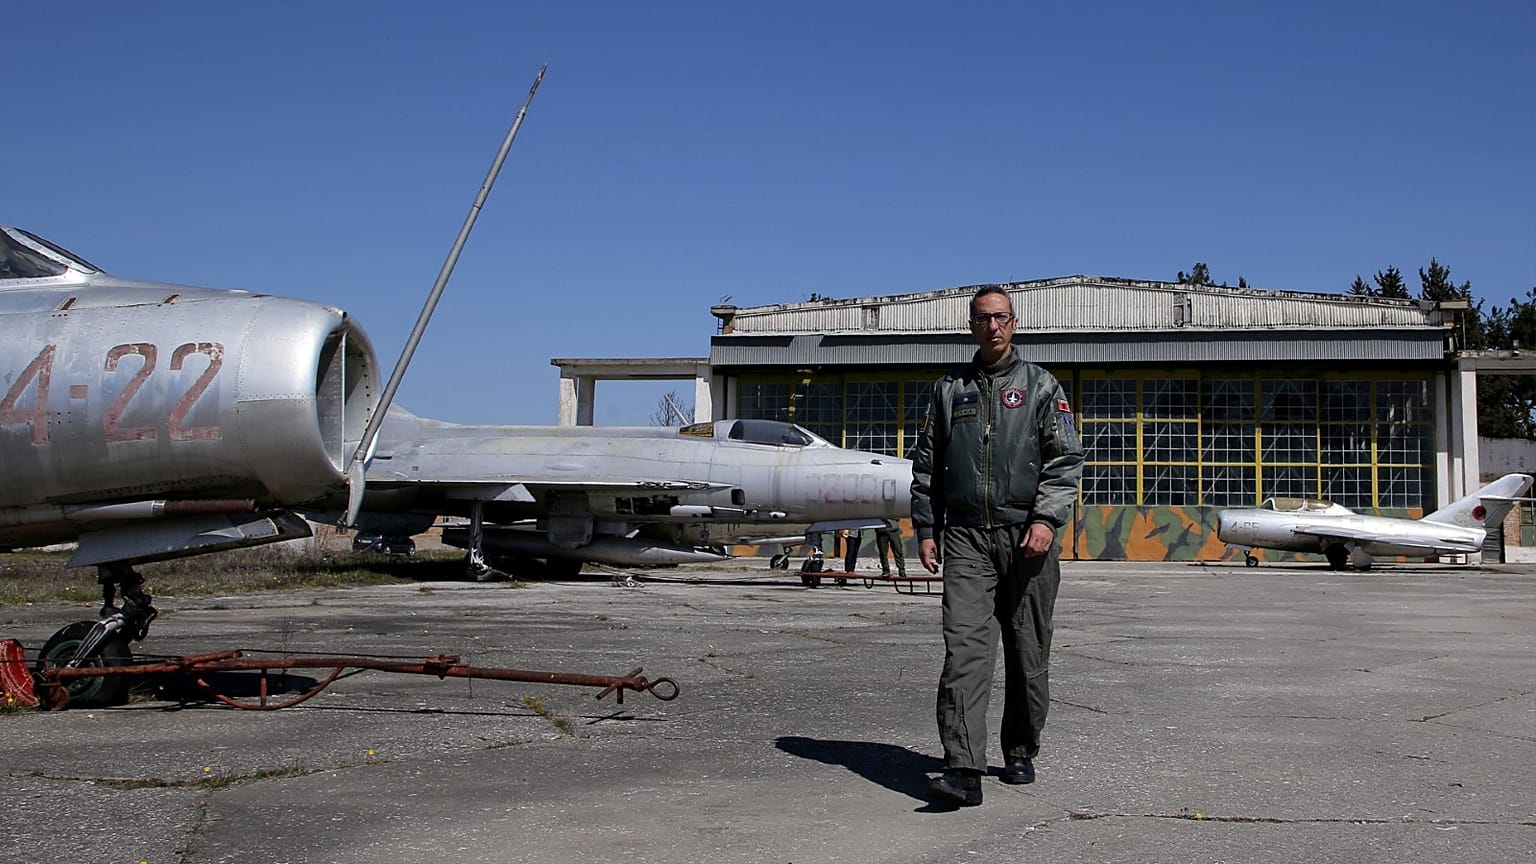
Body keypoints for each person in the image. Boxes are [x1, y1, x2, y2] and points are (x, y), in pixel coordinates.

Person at [909, 285, 1084, 807]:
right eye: (983, 318)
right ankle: (963, 768)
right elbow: (927, 467)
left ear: (1014, 323)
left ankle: (1021, 748)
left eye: (1001, 317)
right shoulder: (948, 390)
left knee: (1028, 650)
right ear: (972, 325)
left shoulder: (1041, 387)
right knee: (965, 650)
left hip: (1027, 537)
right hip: (966, 537)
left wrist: (1046, 520)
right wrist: (926, 529)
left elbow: (1064, 461)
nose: (993, 326)